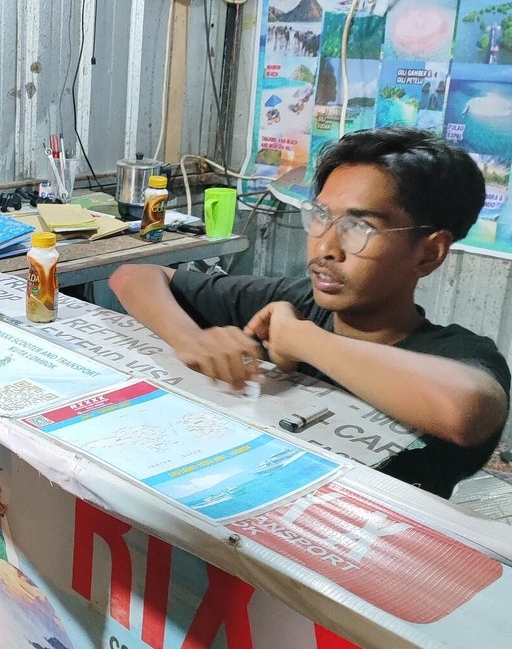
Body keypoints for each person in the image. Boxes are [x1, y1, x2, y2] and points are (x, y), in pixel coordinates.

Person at [109, 129, 510, 498]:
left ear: (428, 253)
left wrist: (302, 339)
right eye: (320, 217)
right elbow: (134, 276)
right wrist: (190, 338)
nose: (325, 247)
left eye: (359, 226)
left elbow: (467, 410)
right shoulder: (295, 300)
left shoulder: (454, 352)